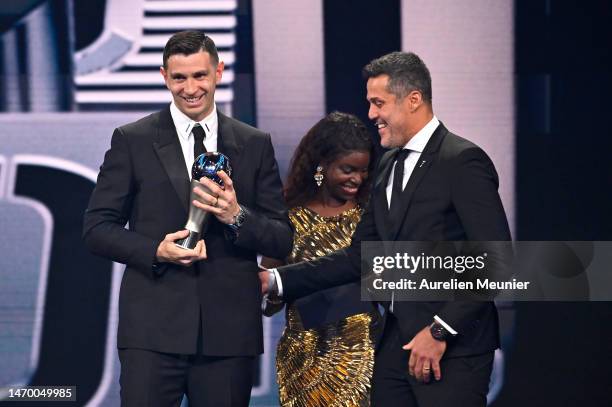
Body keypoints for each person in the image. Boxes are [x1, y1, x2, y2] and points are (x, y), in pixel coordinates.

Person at [260, 51, 511, 407]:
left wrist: (440, 330)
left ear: (413, 100)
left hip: (453, 351)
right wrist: (276, 280)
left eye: (379, 103)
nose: (371, 114)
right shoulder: (388, 163)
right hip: (395, 343)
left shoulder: (461, 161)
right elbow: (360, 257)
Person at [82, 30, 293, 406]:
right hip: (151, 334)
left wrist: (236, 215)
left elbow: (281, 239)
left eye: (200, 75)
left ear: (218, 72)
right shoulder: (133, 140)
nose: (190, 88)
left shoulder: (254, 143)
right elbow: (97, 229)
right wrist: (156, 250)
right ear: (164, 76)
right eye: (179, 78)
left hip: (228, 336)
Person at [262, 111, 379, 406]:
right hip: (303, 358)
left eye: (363, 171)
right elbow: (267, 300)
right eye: (347, 169)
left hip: (361, 354)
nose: (357, 179)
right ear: (322, 166)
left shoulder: (371, 218)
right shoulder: (289, 220)